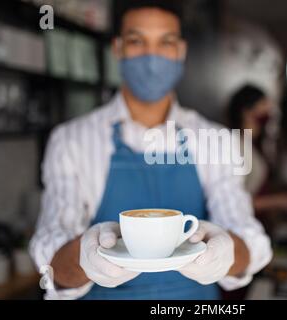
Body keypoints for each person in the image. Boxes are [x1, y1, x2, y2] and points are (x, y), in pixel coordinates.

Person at [29, 1, 272, 300]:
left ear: (180, 52)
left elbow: (248, 237)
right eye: (137, 41)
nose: (152, 57)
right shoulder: (71, 141)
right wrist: (85, 259)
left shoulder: (216, 140)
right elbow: (51, 260)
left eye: (165, 42)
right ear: (117, 49)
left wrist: (226, 253)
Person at [227, 85, 287, 214]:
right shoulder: (236, 146)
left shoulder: (255, 144)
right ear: (246, 111)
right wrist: (278, 201)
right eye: (264, 104)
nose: (269, 110)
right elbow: (233, 203)